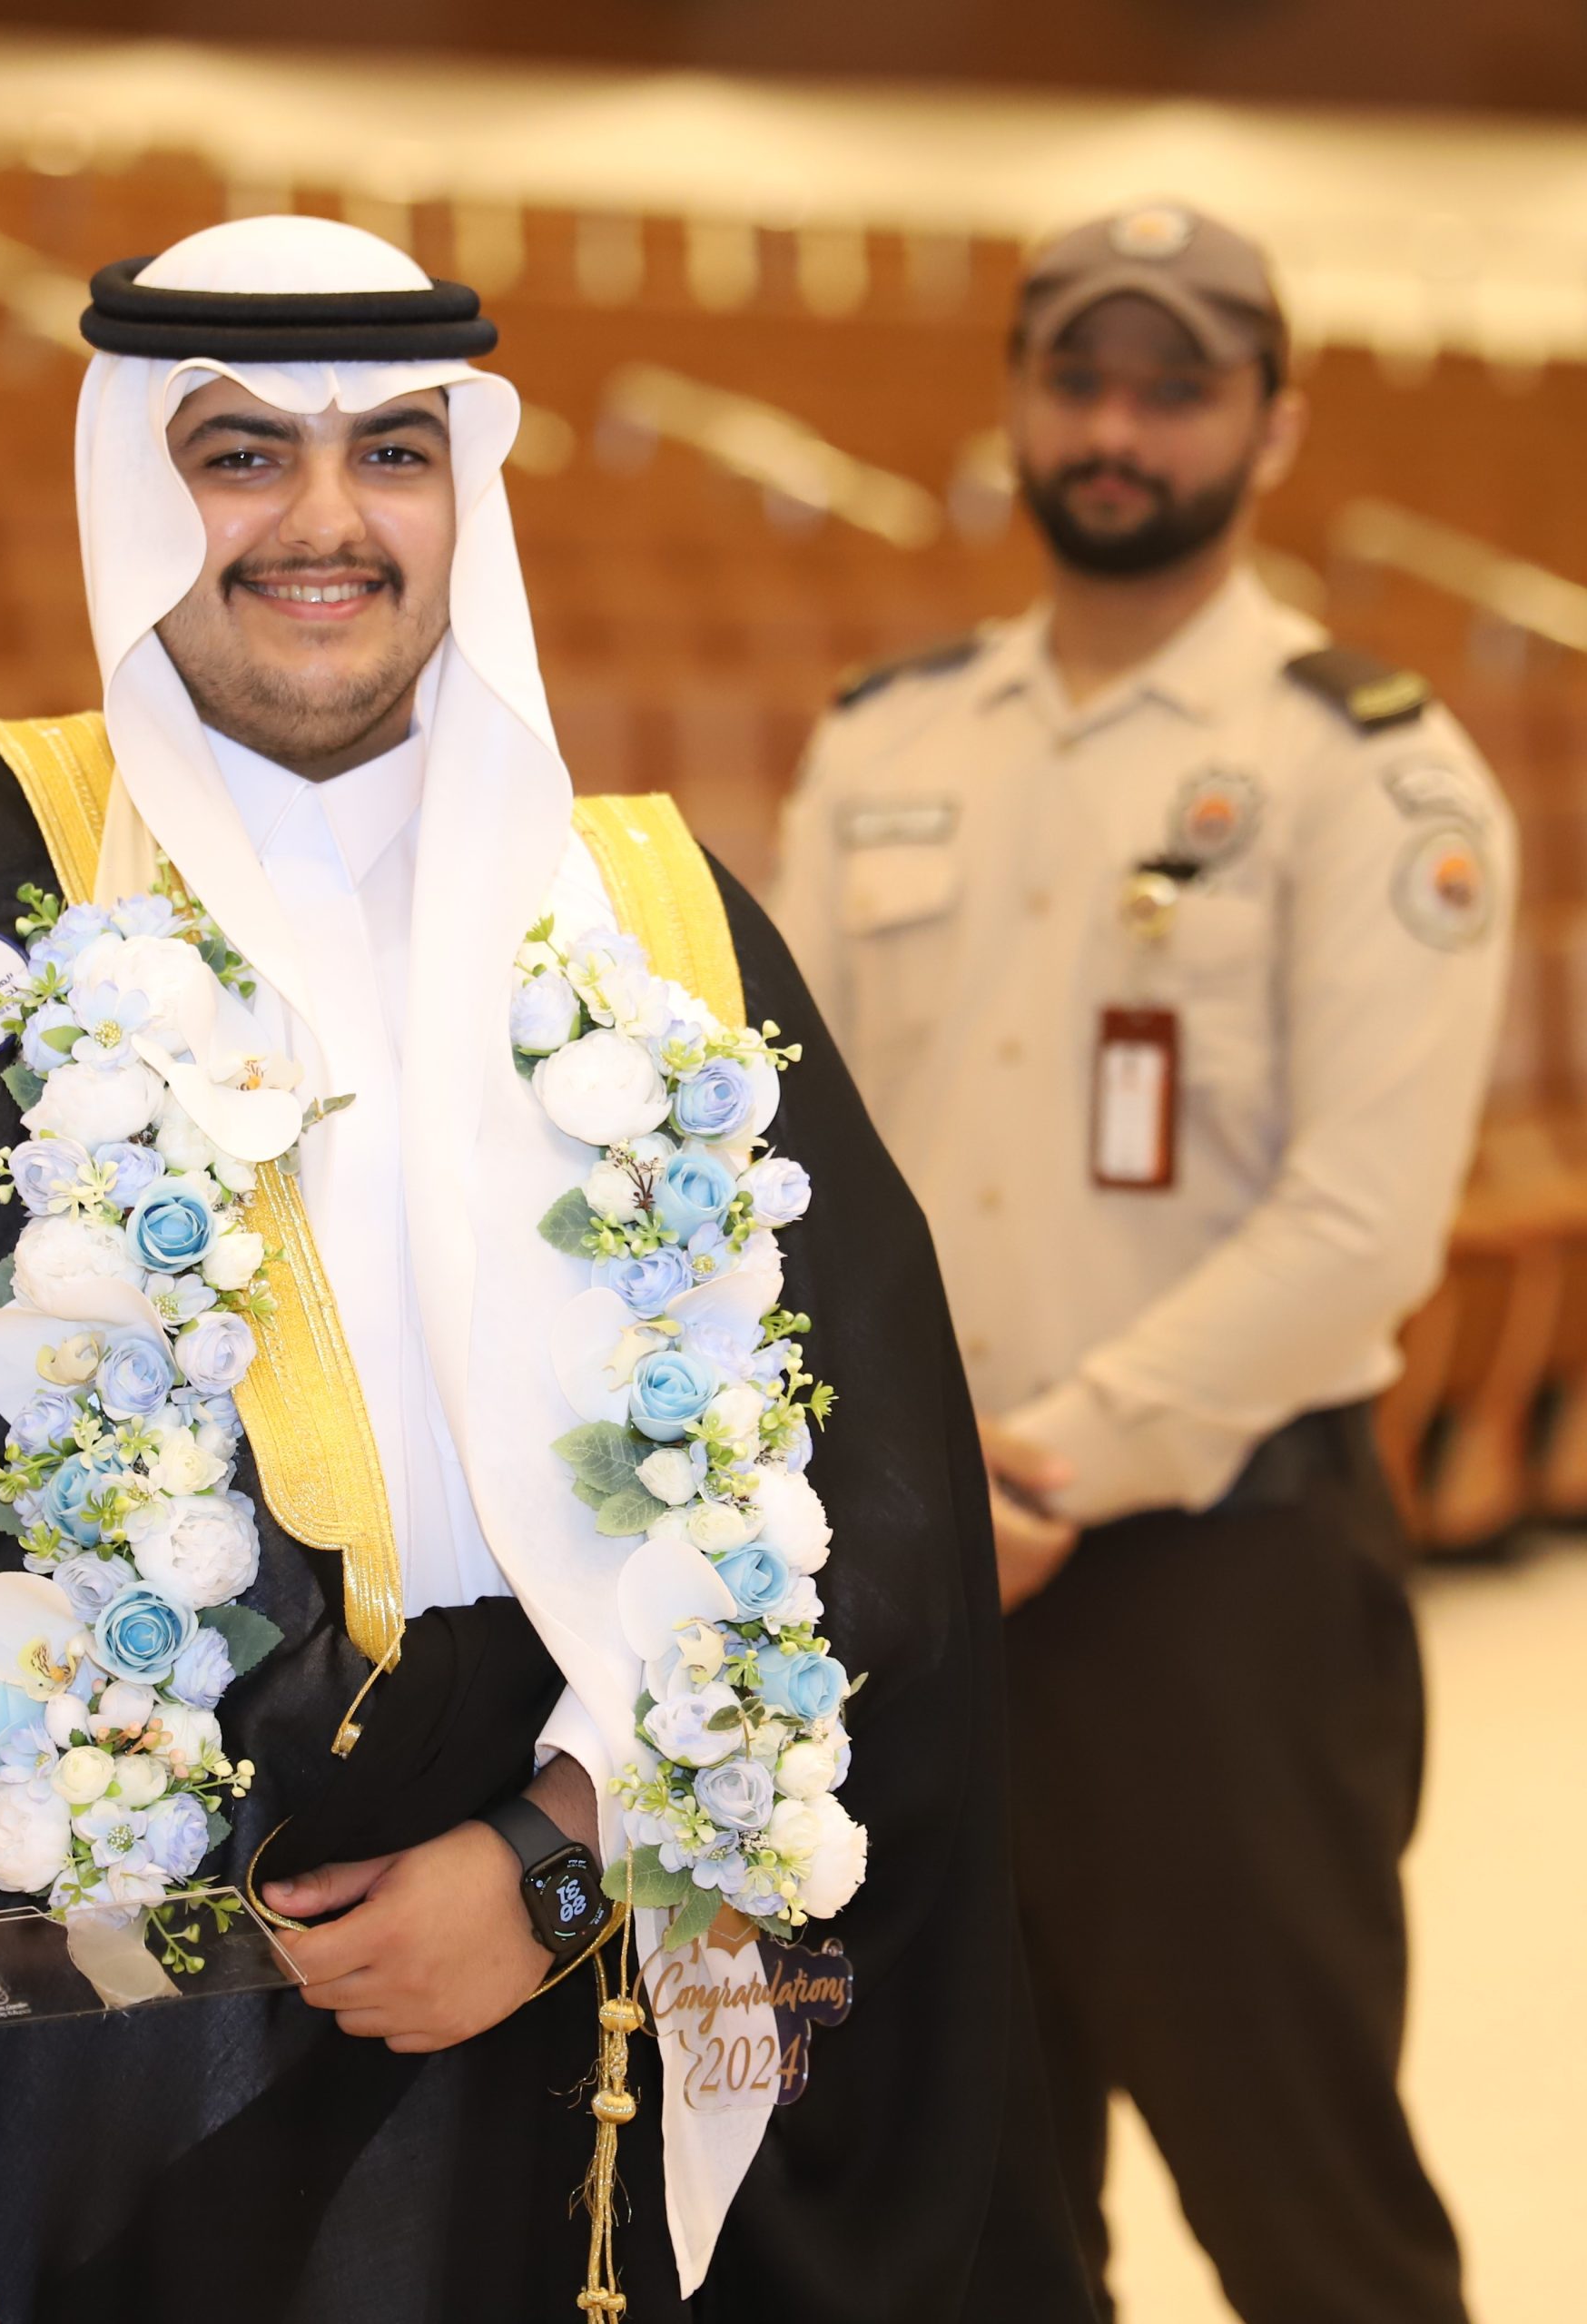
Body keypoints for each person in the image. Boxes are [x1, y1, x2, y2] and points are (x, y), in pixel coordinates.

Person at [0, 218, 1090, 2324]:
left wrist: (553, 1860)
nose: (325, 520)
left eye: (390, 452)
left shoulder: (661, 933)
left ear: (462, 490)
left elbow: (867, 1497)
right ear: (132, 487)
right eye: (241, 452)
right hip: (77, 2093)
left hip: (583, 1992)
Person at [773, 203, 1508, 2324]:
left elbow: (1358, 1225)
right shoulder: (886, 741)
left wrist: (1052, 1460)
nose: (1114, 429)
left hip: (1217, 1599)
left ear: (1270, 429)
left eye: (1174, 388)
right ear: (1014, 402)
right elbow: (789, 1155)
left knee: (1306, 2217)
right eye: (1075, 380)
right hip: (914, 1599)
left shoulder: (1366, 767)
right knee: (964, 2213)